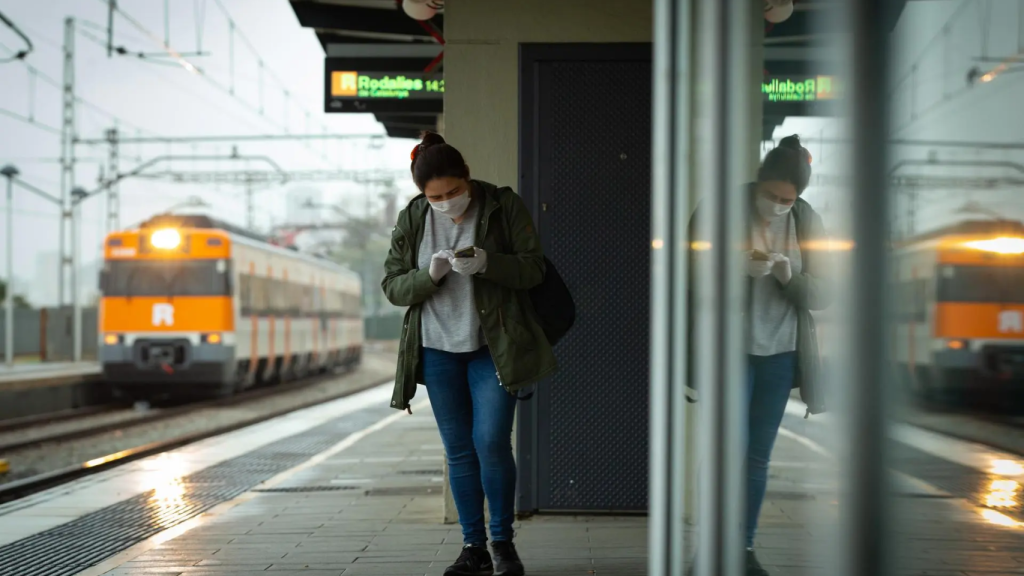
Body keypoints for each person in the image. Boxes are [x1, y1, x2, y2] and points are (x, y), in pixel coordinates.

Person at [382, 131, 558, 576]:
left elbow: (534, 268)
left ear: (467, 177)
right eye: (435, 196)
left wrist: (487, 263)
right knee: (458, 450)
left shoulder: (502, 205)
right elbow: (393, 286)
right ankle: (472, 547)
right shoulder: (414, 216)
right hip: (438, 348)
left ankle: (502, 543)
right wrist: (430, 275)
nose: (446, 202)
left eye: (454, 191)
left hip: (492, 347)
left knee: (491, 441)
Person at [687, 135, 832, 576]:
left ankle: (743, 550)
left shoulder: (807, 221)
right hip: (728, 349)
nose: (777, 204)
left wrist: (791, 278)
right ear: (758, 182)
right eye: (770, 195)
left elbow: (823, 294)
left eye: (787, 200)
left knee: (756, 457)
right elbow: (689, 274)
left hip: (781, 352)